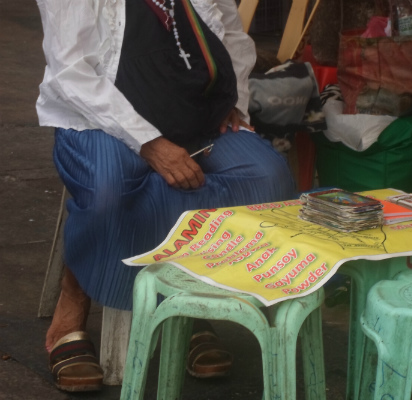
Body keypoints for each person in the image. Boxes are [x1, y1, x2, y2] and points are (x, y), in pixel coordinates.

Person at [35, 0, 296, 391]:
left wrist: (233, 101)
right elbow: (71, 72)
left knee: (267, 176)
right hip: (96, 115)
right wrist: (149, 143)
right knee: (111, 188)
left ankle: (188, 299)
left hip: (194, 114)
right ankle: (77, 292)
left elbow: (232, 39)